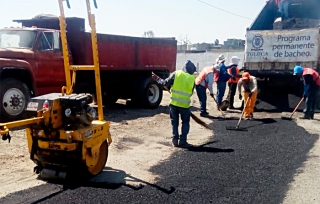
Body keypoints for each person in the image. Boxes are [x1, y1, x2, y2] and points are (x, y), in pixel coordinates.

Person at [152, 60, 197, 147]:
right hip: (185, 105)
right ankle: (183, 141)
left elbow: (165, 83)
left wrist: (157, 78)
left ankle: (175, 140)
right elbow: (191, 92)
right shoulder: (192, 78)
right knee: (185, 123)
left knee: (174, 123)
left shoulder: (176, 74)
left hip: (174, 104)